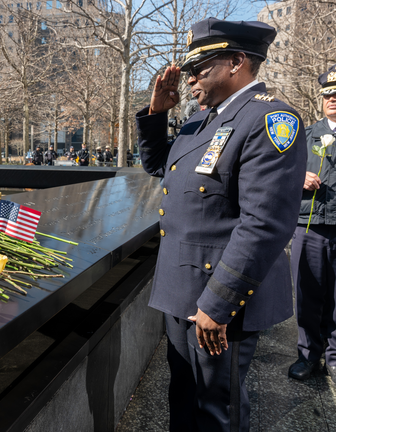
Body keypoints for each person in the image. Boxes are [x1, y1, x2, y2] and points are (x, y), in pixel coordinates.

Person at [135, 18, 306, 432]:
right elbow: (159, 165)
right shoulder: (203, 120)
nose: (191, 78)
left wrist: (218, 304)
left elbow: (263, 224)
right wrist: (158, 114)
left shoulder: (270, 120)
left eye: (201, 67)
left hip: (218, 299)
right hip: (180, 289)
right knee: (183, 399)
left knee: (217, 410)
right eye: (190, 68)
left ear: (236, 62)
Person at [288, 65, 336, 384]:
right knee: (308, 293)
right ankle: (309, 354)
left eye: (341, 93)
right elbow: (278, 175)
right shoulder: (305, 136)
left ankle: (336, 357)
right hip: (311, 225)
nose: (333, 99)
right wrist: (297, 177)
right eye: (328, 94)